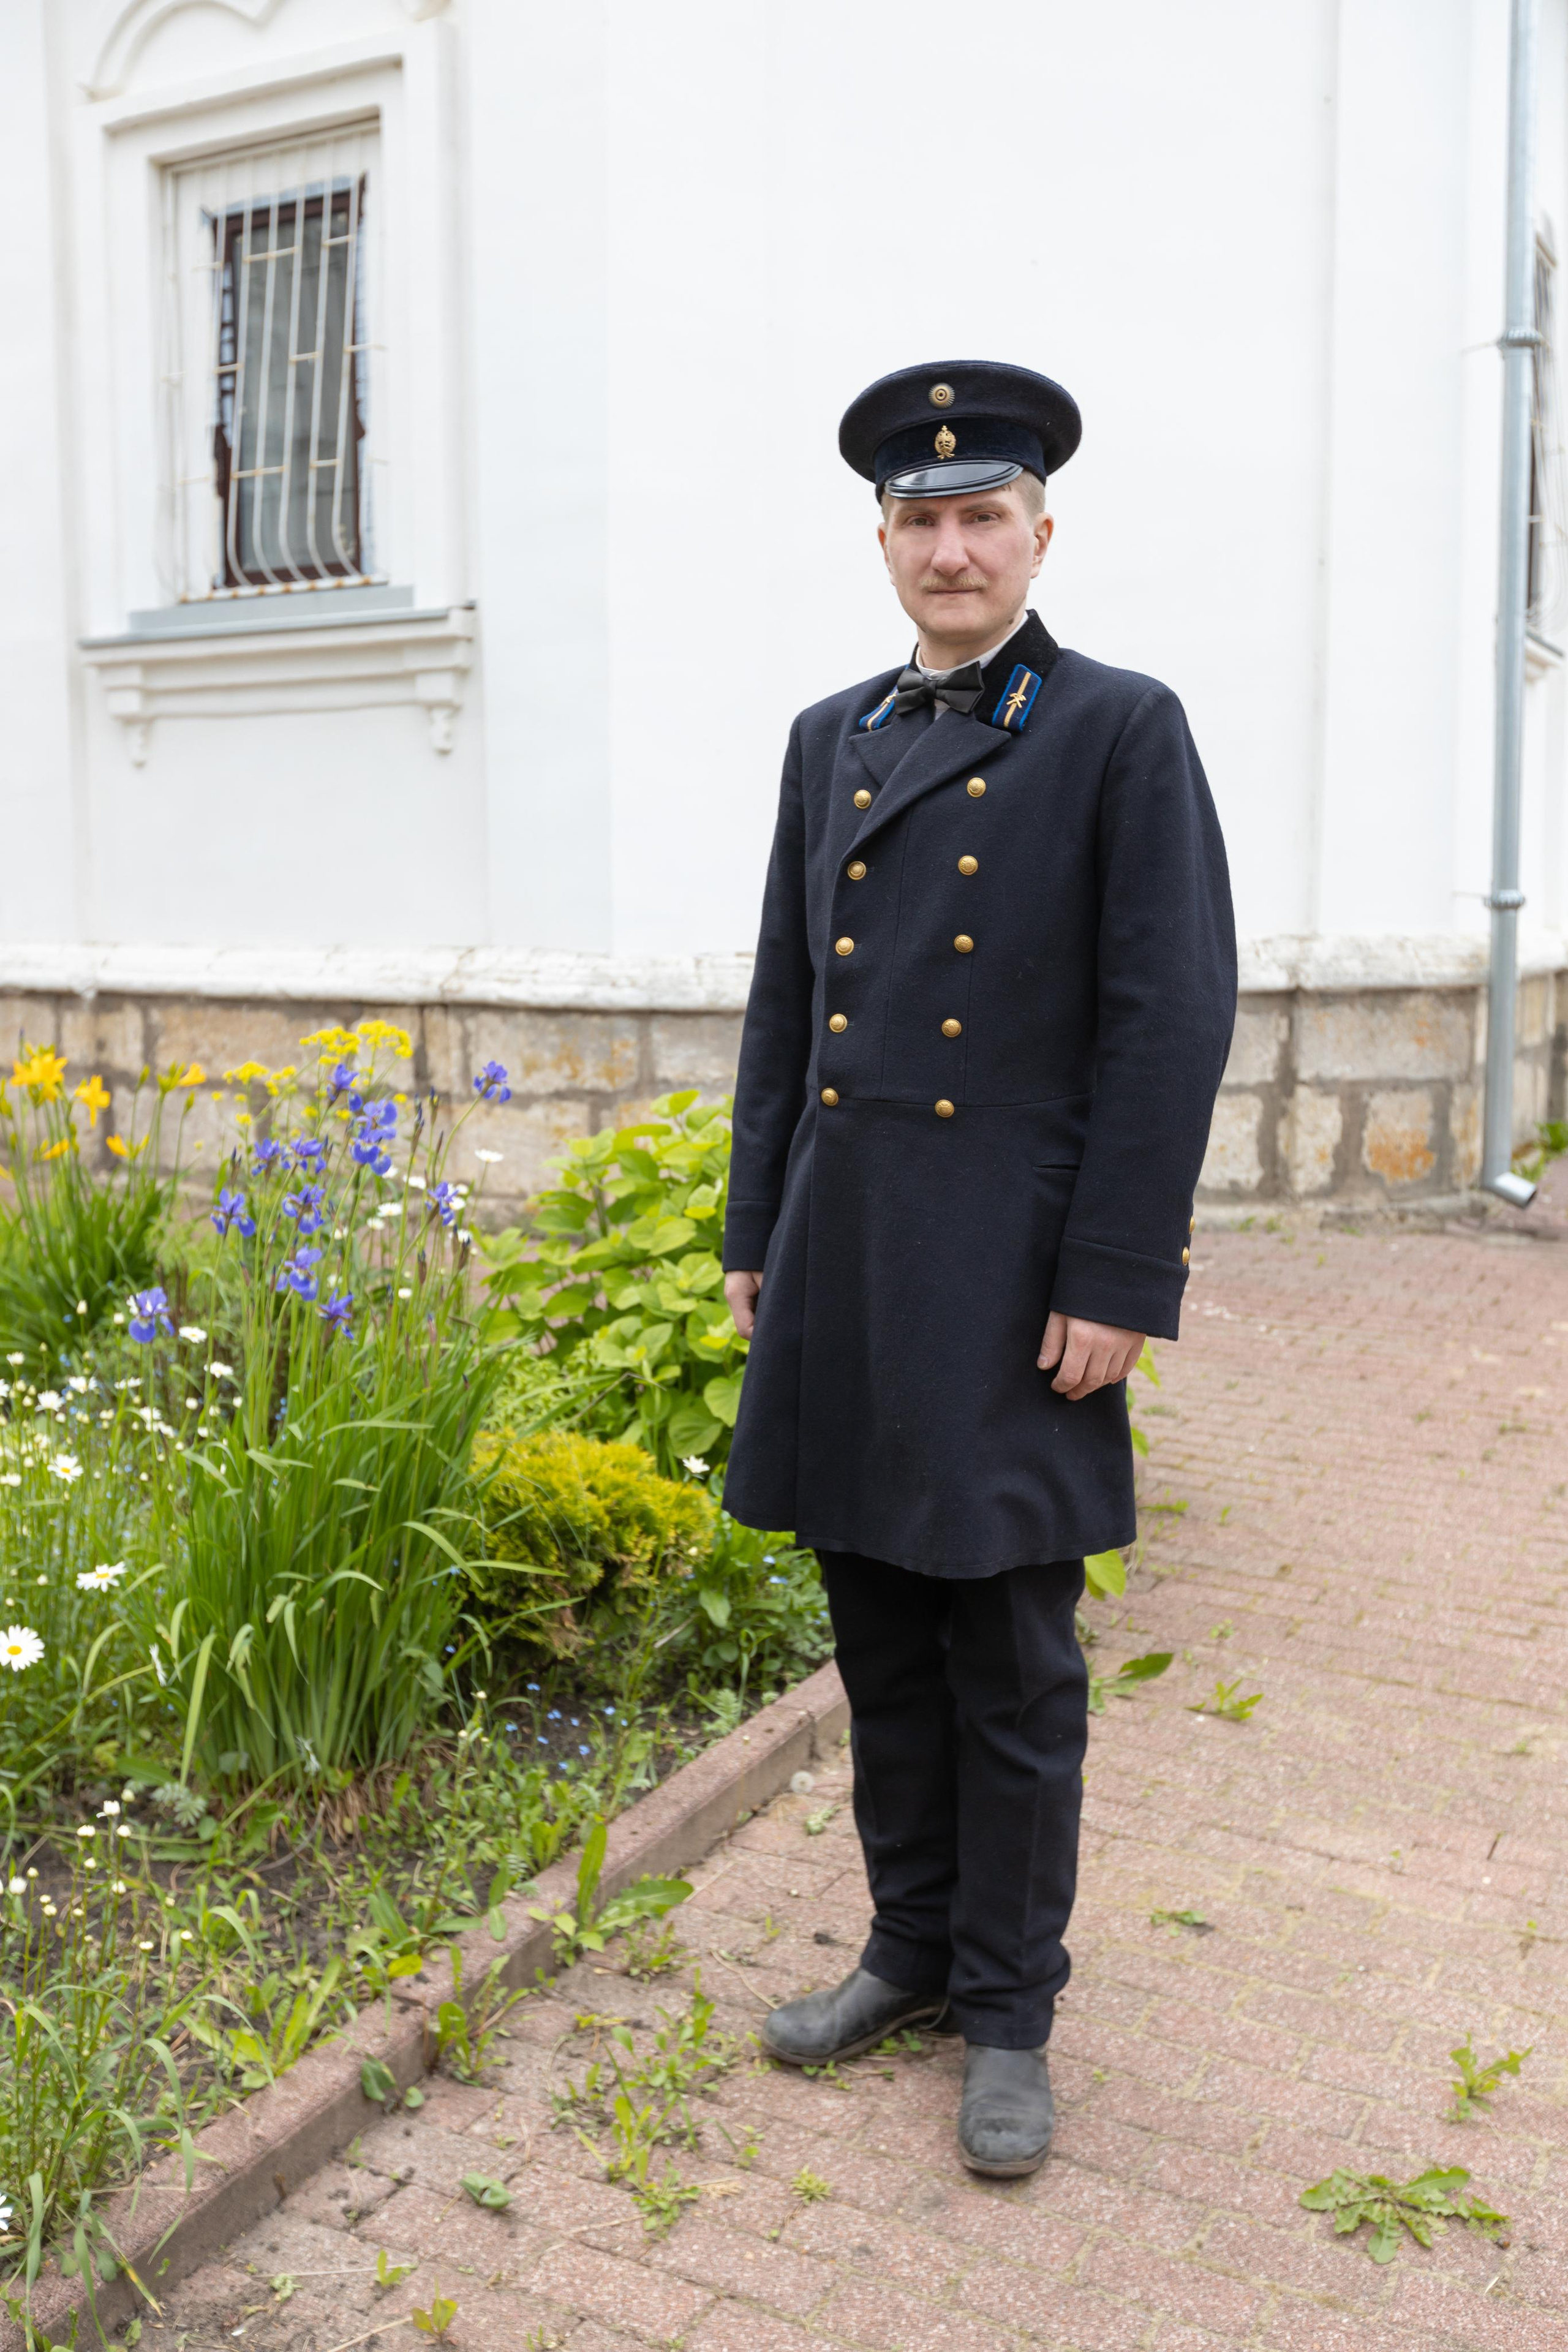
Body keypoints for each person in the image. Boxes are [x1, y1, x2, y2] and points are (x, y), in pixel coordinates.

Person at [720, 359, 1236, 2177]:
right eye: (921, 520)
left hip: (1018, 1268)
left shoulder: (1117, 727)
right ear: (883, 541)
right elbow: (786, 1000)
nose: (952, 547)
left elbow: (1170, 1018)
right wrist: (755, 1234)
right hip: (852, 1250)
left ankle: (1011, 2013)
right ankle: (912, 1952)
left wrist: (1121, 1273)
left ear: (1039, 533)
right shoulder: (831, 736)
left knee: (1011, 1658)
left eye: (982, 517)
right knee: (878, 1629)